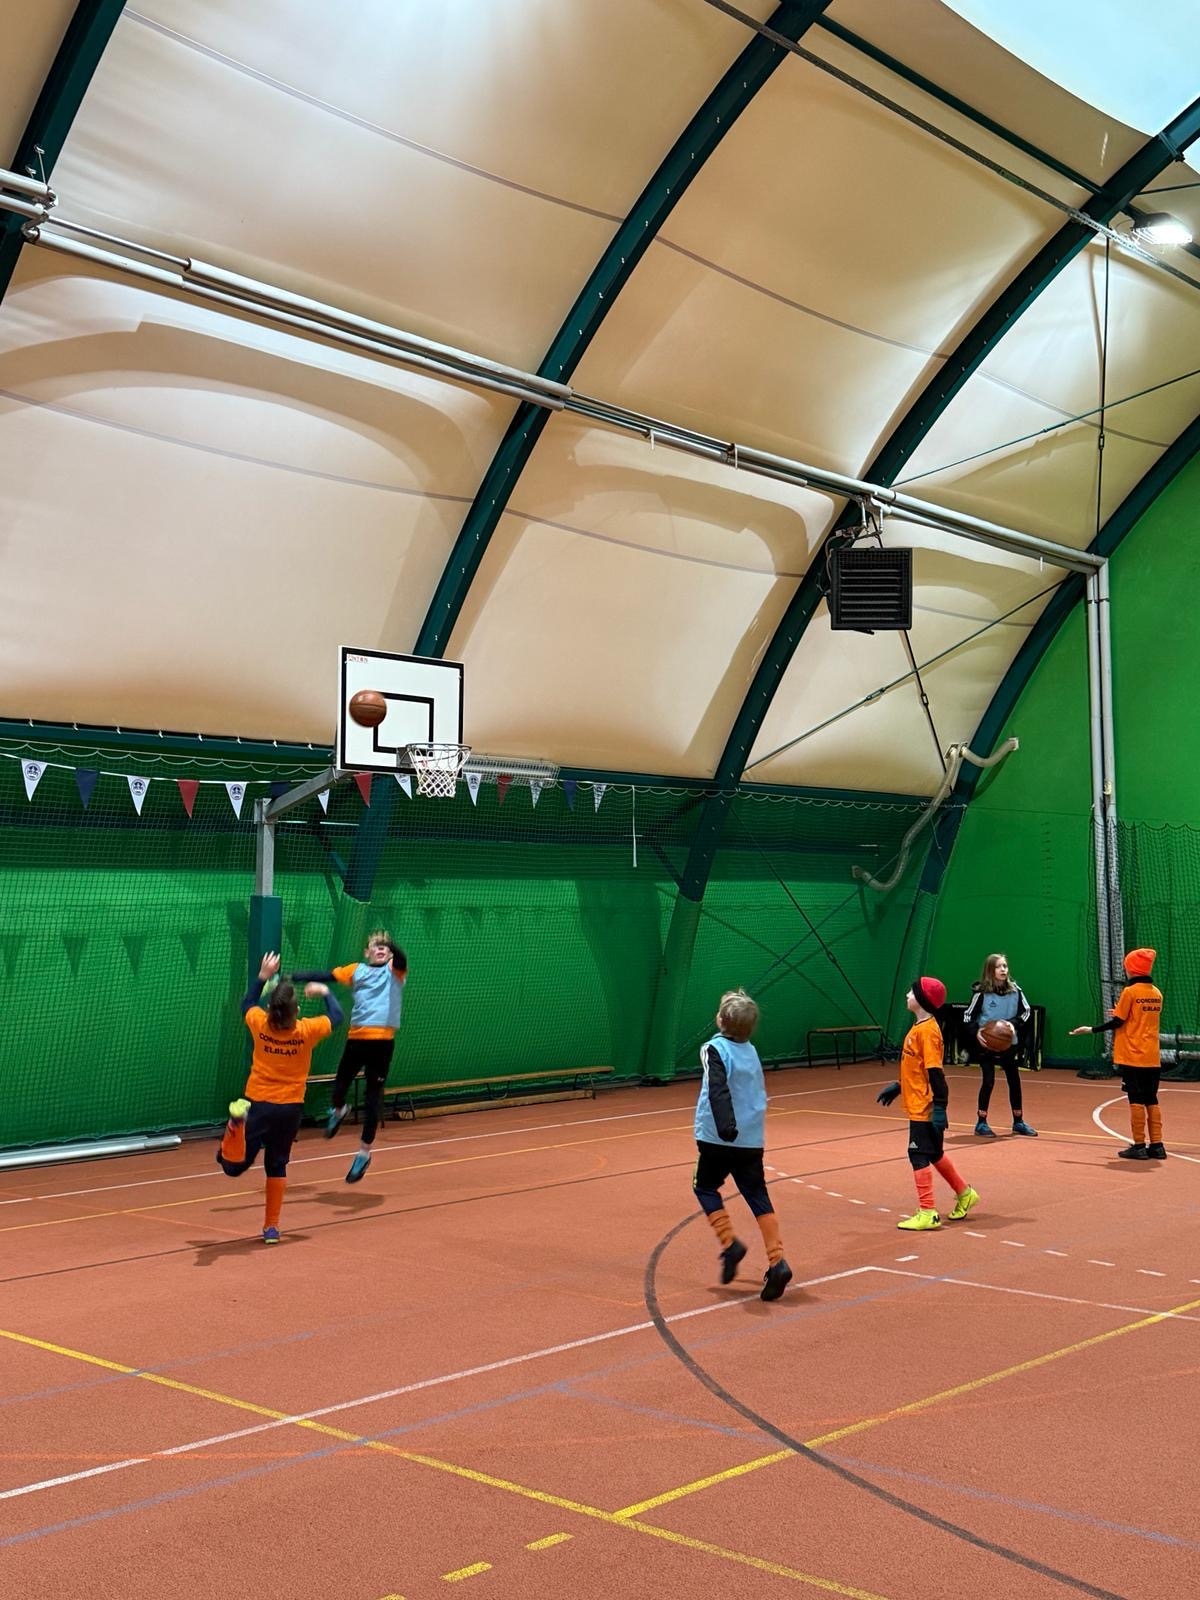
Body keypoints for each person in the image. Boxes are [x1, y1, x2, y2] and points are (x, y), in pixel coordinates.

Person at [217, 952, 344, 1241]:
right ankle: (271, 1227)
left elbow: (247, 1003)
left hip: (258, 1104)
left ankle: (234, 1127)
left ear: (270, 1008)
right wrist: (325, 992)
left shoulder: (260, 1023)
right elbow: (337, 1017)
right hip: (289, 1109)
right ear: (296, 1010)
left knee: (232, 1167)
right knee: (276, 1164)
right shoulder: (306, 1031)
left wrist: (263, 976)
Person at [692, 989, 792, 1302]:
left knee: (705, 1187)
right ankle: (777, 1260)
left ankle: (730, 1244)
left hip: (719, 1137)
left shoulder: (713, 1049)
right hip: (751, 1139)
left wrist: (725, 1126)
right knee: (757, 1195)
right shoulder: (751, 1051)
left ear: (721, 1020)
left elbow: (717, 1089)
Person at [293, 930, 407, 1183]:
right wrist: (293, 976)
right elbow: (326, 975)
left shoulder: (394, 972)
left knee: (372, 1099)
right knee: (340, 1086)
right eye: (376, 946)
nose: (381, 949)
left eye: (385, 947)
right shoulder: (356, 970)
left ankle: (364, 1154)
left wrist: (391, 943)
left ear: (390, 954)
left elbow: (401, 957)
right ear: (366, 952)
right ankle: (339, 1109)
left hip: (382, 1044)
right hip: (356, 1040)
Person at [877, 975, 979, 1231]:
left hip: (924, 1107)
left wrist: (940, 1108)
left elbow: (936, 1074)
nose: (907, 995)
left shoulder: (928, 1032)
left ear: (922, 1000)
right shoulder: (918, 1027)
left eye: (912, 993)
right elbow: (918, 1068)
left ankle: (928, 1212)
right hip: (917, 1100)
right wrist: (900, 1085)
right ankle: (964, 1193)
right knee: (933, 1153)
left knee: (917, 1154)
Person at [1070, 947, 1165, 1160]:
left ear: (1131, 970)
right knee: (1151, 1099)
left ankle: (1139, 1145)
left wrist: (1091, 1029)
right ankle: (1157, 1145)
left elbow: (1118, 1022)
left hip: (1133, 1055)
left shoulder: (1130, 992)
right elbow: (1141, 1018)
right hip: (1152, 1056)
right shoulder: (1156, 993)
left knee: (1135, 1099)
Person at [961, 953, 1037, 1138]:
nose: (1003, 969)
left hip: (1008, 1043)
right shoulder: (981, 993)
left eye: (1005, 966)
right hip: (987, 1044)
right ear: (990, 970)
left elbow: (1027, 1012)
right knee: (988, 1081)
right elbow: (967, 1016)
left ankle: (1018, 1121)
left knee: (1014, 1080)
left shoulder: (1016, 991)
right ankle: (981, 1122)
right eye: (999, 966)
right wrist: (977, 1032)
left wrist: (1013, 1024)